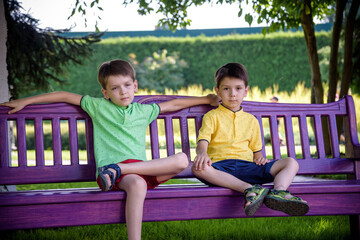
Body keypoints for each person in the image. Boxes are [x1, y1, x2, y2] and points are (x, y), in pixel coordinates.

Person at [0, 59, 219, 240]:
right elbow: (64, 96)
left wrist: (206, 99)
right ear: (106, 93)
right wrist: (25, 101)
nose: (122, 91)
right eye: (115, 88)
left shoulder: (144, 111)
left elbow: (172, 105)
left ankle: (120, 168)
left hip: (134, 171)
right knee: (137, 182)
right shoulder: (98, 107)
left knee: (182, 159)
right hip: (114, 177)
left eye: (126, 85)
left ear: (135, 85)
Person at [192, 63, 309, 217]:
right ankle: (251, 189)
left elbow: (257, 153)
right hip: (221, 168)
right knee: (198, 168)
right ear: (217, 91)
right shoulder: (211, 117)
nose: (232, 94)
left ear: (246, 91)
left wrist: (260, 159)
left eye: (238, 88)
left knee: (291, 162)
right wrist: (202, 154)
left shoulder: (251, 120)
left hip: (248, 167)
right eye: (226, 89)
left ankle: (279, 192)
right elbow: (203, 142)